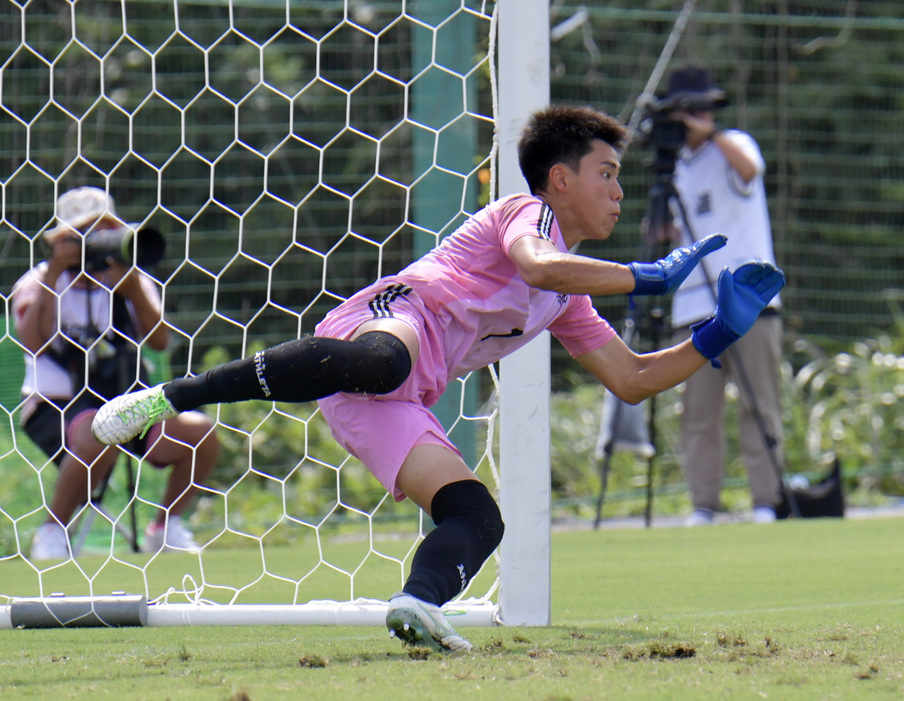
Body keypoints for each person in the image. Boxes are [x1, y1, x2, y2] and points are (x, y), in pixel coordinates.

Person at [90, 105, 784, 652]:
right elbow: (537, 264)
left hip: (395, 400)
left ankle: (418, 602)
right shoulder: (526, 213)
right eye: (607, 172)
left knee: (478, 517)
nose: (619, 189)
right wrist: (651, 278)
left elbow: (631, 378)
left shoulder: (571, 298)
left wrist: (719, 332)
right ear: (561, 179)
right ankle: (163, 397)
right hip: (389, 326)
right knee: (386, 358)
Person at [12, 187, 219, 560]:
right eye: (84, 234)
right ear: (60, 241)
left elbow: (159, 341)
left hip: (125, 401)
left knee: (199, 433)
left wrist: (132, 289)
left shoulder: (129, 280)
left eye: (105, 230)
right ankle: (51, 531)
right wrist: (56, 273)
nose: (96, 242)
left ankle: (165, 527)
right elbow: (32, 343)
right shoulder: (37, 281)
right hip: (57, 406)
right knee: (98, 432)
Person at [663, 62, 785, 526]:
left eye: (699, 109)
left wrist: (709, 133)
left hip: (751, 301)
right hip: (694, 303)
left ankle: (765, 502)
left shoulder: (734, 145)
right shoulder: (674, 167)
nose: (691, 118)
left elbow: (750, 170)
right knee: (698, 411)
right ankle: (703, 505)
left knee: (760, 404)